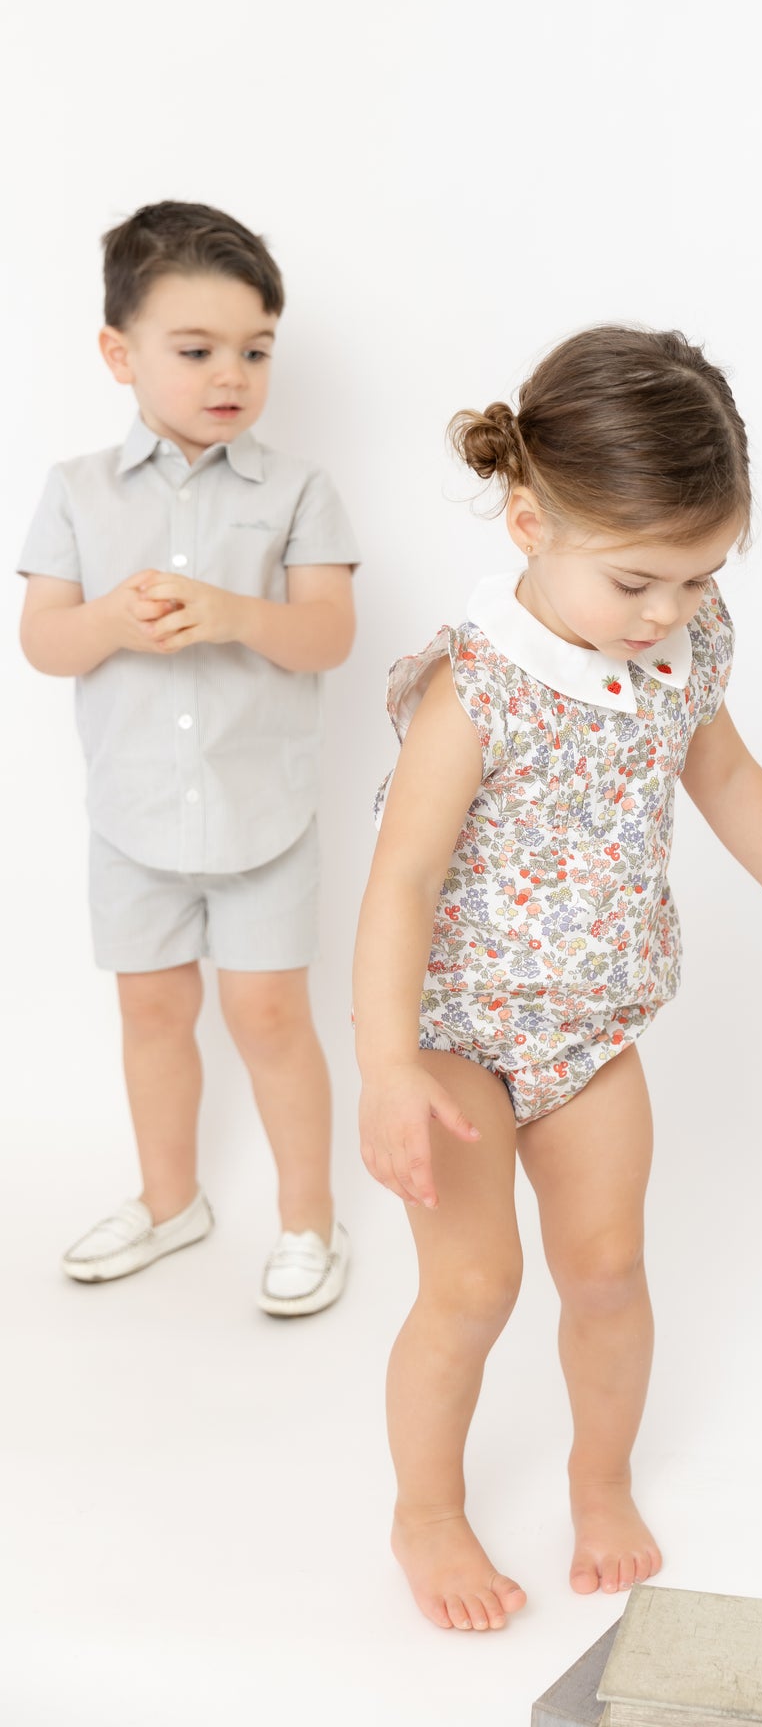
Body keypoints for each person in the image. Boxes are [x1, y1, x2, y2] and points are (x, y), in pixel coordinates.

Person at [353, 325, 762, 1630]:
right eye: (636, 581)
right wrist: (387, 1068)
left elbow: (719, 767)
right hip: (454, 1034)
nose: (668, 610)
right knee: (475, 1286)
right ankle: (427, 1512)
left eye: (700, 575)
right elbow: (399, 885)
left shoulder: (681, 639)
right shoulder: (479, 693)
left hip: (592, 1033)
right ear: (529, 524)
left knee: (609, 1270)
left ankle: (600, 1479)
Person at [18, 201, 358, 1316]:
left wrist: (235, 613)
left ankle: (309, 1220)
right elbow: (44, 643)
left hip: (265, 821)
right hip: (132, 821)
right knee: (153, 1017)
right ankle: (171, 1204)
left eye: (256, 351)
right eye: (198, 350)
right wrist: (112, 620)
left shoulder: (298, 490)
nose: (232, 376)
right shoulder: (75, 488)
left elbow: (329, 635)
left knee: (270, 1019)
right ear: (119, 354)